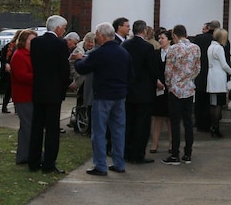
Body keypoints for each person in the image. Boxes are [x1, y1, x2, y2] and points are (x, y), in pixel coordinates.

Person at [74, 22, 133, 176]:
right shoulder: (123, 53)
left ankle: (100, 165)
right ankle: (119, 163)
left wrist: (78, 59)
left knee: (99, 131)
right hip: (119, 96)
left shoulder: (99, 53)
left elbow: (83, 68)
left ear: (101, 35)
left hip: (103, 96)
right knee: (118, 130)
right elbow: (130, 75)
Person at [28, 15, 71, 174]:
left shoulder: (35, 42)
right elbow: (64, 69)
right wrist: (64, 86)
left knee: (37, 126)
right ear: (58, 28)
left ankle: (33, 161)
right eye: (64, 27)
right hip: (53, 92)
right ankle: (48, 164)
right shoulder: (60, 44)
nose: (64, 31)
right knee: (52, 129)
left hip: (38, 89)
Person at [162, 24, 201, 165]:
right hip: (189, 89)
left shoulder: (173, 49)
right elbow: (197, 68)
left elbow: (168, 70)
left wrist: (169, 83)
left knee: (175, 123)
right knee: (188, 122)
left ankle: (175, 154)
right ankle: (188, 153)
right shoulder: (195, 48)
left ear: (174, 35)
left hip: (175, 89)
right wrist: (189, 79)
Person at [123, 20, 159, 163]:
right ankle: (138, 154)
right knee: (142, 124)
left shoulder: (125, 45)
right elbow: (152, 69)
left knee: (129, 122)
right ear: (144, 31)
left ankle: (127, 152)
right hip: (144, 91)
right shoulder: (147, 47)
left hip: (128, 90)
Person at [10, 29, 37, 165]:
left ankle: (24, 155)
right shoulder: (19, 55)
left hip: (30, 95)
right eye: (31, 41)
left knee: (27, 126)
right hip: (23, 96)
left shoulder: (30, 55)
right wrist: (38, 76)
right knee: (28, 126)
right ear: (24, 41)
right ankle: (30, 155)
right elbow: (21, 76)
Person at [207, 28, 231, 138]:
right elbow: (224, 65)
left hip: (211, 77)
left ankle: (213, 125)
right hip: (219, 78)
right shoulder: (219, 48)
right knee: (218, 104)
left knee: (213, 103)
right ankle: (216, 127)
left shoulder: (210, 47)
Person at [150, 28, 172, 154]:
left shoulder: (173, 53)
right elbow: (153, 69)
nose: (160, 40)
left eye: (162, 38)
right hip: (159, 88)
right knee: (157, 117)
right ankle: (154, 144)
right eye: (159, 38)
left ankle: (171, 144)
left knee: (170, 117)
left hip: (170, 88)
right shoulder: (156, 53)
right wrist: (156, 80)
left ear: (169, 39)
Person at [190, 22, 214, 132]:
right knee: (210, 100)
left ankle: (199, 122)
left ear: (207, 29)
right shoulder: (216, 39)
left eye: (203, 28)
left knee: (199, 99)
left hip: (200, 71)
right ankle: (209, 122)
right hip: (212, 72)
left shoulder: (199, 38)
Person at [0, 30, 22, 114]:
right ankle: (7, 106)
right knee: (10, 90)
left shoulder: (13, 46)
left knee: (13, 90)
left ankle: (14, 107)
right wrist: (6, 64)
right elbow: (3, 57)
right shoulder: (10, 47)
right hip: (10, 71)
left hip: (15, 70)